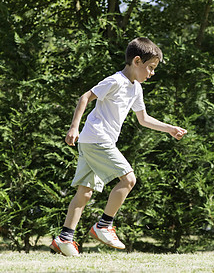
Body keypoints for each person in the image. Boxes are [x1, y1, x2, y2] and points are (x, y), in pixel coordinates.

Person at [50, 37, 187, 256]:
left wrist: (170, 128)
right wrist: (73, 127)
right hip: (97, 138)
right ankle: (104, 225)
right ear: (136, 61)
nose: (152, 73)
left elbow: (143, 119)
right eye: (150, 68)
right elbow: (85, 97)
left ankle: (64, 238)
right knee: (129, 179)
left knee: (84, 192)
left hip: (92, 141)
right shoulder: (115, 81)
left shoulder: (136, 89)